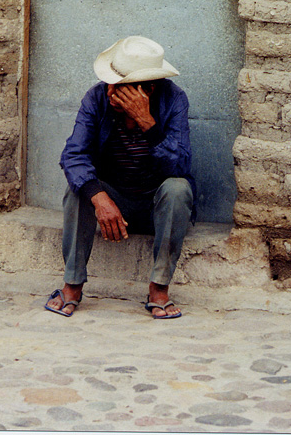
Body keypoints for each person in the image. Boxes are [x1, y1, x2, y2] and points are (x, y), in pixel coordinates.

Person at [44, 35, 195, 320]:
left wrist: (147, 122)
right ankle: (72, 285)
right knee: (78, 189)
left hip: (156, 205)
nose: (111, 92)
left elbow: (180, 166)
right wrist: (99, 197)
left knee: (178, 188)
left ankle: (158, 288)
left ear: (148, 88)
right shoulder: (97, 97)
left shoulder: (173, 99)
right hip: (115, 202)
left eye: (122, 87)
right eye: (110, 83)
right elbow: (73, 155)